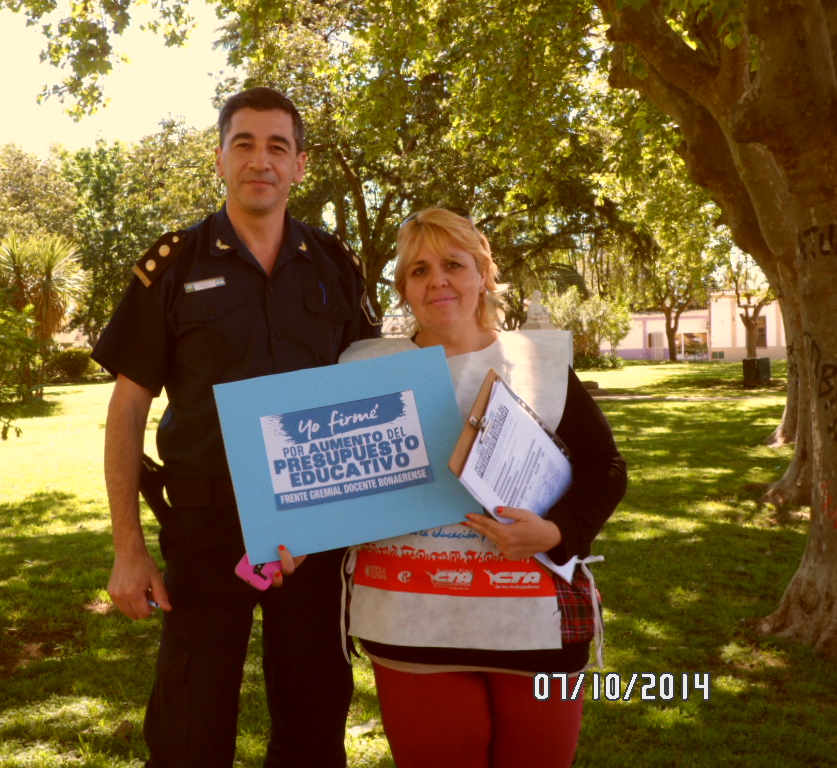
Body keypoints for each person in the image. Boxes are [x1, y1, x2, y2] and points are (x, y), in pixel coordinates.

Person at [91, 87, 379, 768]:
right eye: (243, 144)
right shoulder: (174, 266)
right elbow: (127, 409)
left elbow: (368, 390)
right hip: (206, 528)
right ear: (220, 159)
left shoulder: (334, 265)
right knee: (189, 733)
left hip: (314, 531)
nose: (261, 160)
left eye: (278, 146)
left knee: (313, 729)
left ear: (300, 165)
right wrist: (128, 548)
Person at [340, 208, 627, 768]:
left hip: (535, 624)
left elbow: (606, 468)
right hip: (412, 626)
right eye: (419, 270)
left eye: (453, 265)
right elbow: (329, 482)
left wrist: (555, 531)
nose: (438, 281)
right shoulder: (365, 369)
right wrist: (290, 532)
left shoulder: (538, 363)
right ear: (404, 289)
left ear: (482, 275)